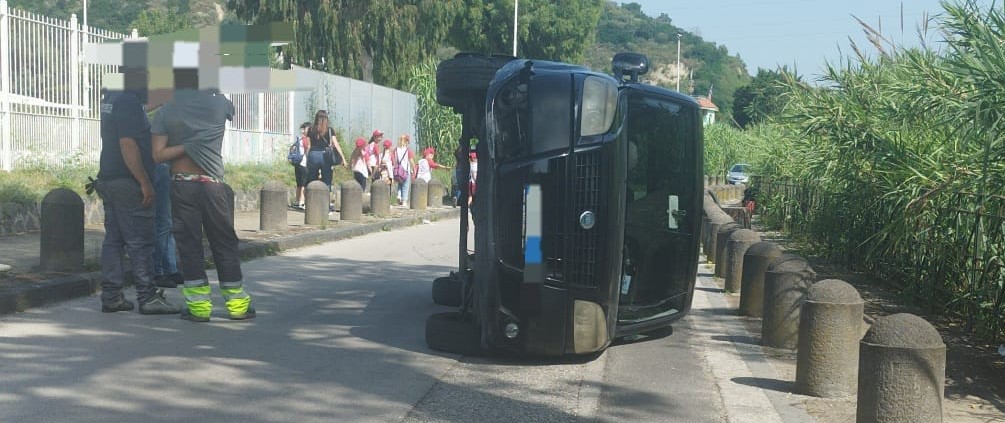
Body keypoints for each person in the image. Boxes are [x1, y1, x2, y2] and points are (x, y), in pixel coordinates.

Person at [150, 88, 254, 322]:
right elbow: (230, 108)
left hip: (181, 184)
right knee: (224, 243)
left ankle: (199, 308)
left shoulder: (167, 110)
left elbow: (157, 155)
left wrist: (186, 146)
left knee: (189, 246)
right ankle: (238, 306)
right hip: (212, 184)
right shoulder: (220, 105)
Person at [96, 87, 181, 315]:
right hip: (129, 182)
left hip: (110, 179)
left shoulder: (113, 97)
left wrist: (164, 98)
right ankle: (148, 296)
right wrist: (144, 181)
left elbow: (138, 112)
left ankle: (111, 296)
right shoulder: (127, 99)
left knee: (114, 240)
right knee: (141, 241)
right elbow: (128, 143)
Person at [152, 161, 183, 288]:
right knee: (164, 223)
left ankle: (170, 269)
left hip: (167, 167)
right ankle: (158, 272)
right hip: (162, 166)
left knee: (168, 225)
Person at [305, 110, 347, 188]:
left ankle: (312, 196)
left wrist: (307, 158)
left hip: (313, 154)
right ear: (326, 118)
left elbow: (308, 146)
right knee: (327, 178)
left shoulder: (310, 129)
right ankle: (326, 194)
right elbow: (336, 144)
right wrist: (343, 158)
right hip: (326, 156)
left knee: (312, 179)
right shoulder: (330, 130)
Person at [291, 122, 311, 210]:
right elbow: (308, 149)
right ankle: (302, 202)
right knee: (304, 184)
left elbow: (292, 148)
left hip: (297, 163)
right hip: (304, 163)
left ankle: (297, 201)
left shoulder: (298, 139)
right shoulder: (307, 139)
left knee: (299, 184)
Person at [392, 134, 416, 206]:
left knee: (400, 184)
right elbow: (411, 160)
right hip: (405, 170)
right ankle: (404, 201)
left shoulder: (396, 149)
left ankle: (399, 196)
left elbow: (393, 159)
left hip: (397, 170)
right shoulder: (407, 150)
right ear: (406, 142)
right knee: (405, 185)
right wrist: (414, 168)